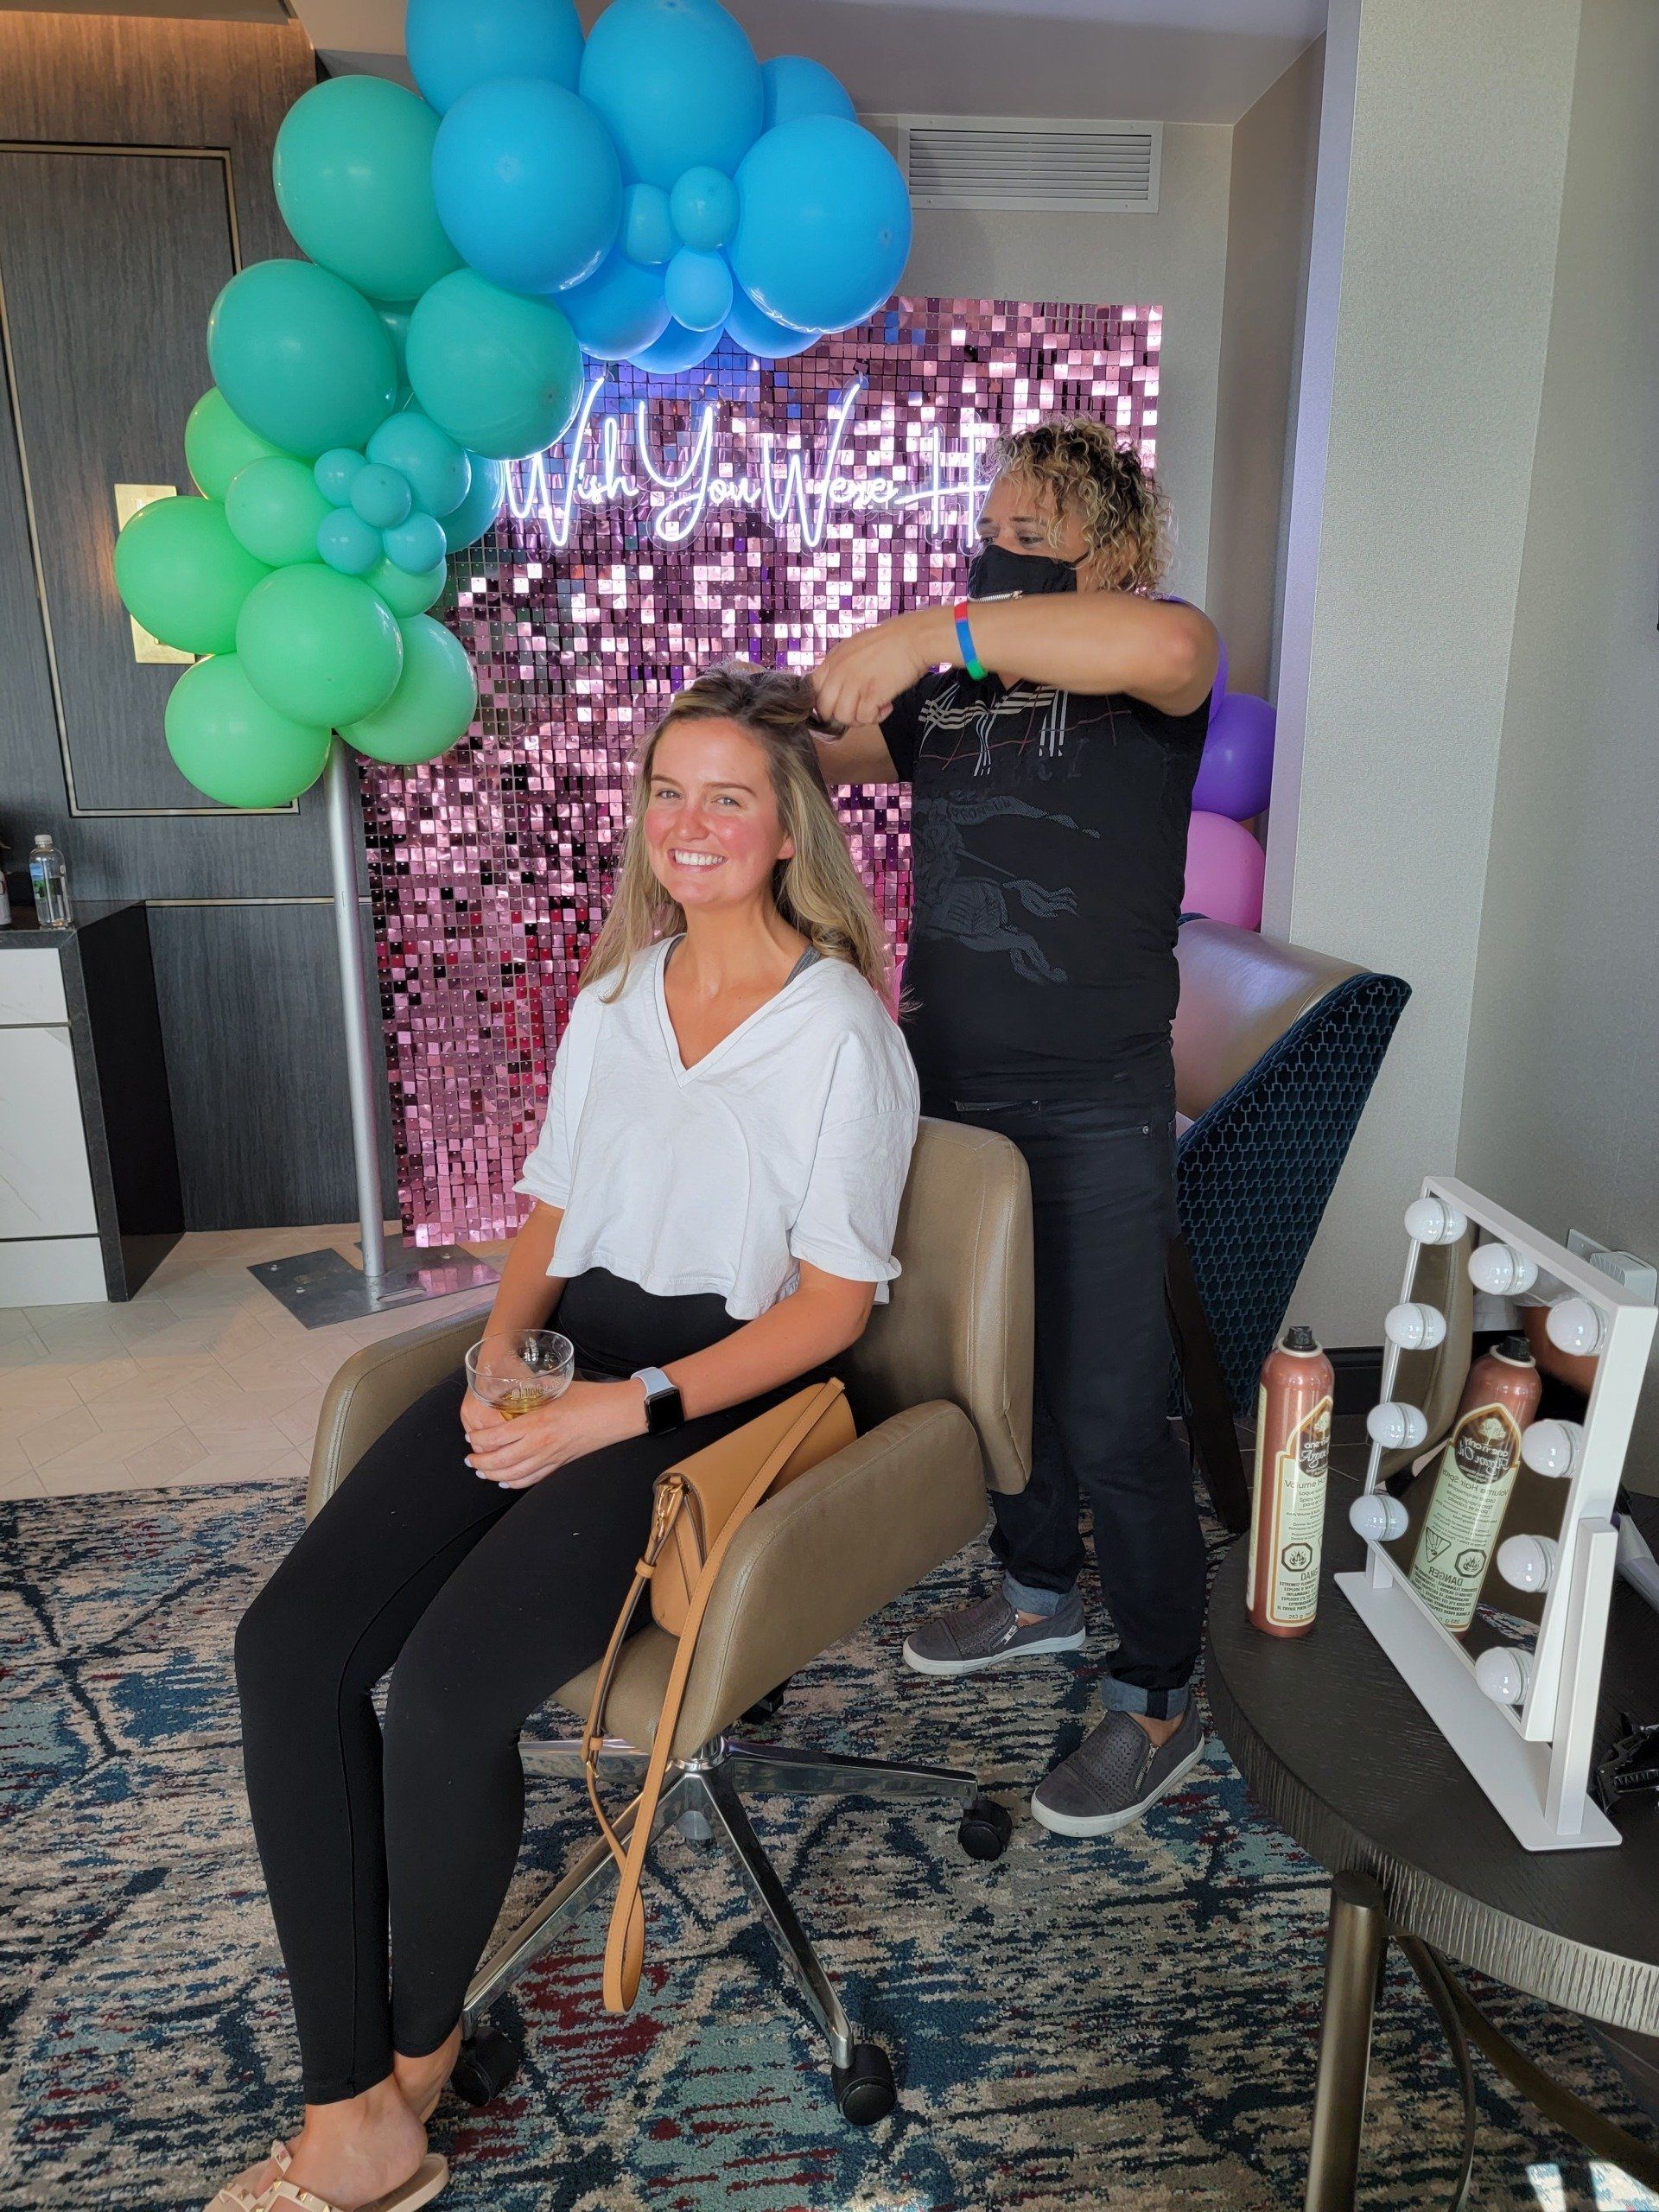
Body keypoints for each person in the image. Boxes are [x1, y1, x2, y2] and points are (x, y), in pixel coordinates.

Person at [217, 664, 919, 2212]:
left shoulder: (842, 1036)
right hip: (563, 1353)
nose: (690, 823)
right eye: (667, 793)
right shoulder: (617, 997)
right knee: (290, 1650)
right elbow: (550, 1205)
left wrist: (621, 1409)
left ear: (789, 829)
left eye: (728, 796)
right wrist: (494, 1365)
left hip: (705, 1397)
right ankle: (340, 2082)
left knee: (445, 1693)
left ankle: (407, 2082)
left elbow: (831, 1312)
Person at [810, 417, 1220, 1842]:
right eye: (992, 530)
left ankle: (1158, 1693)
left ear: (1114, 545)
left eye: (1032, 533)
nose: (1001, 553)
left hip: (1096, 1101)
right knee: (996, 1379)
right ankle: (1041, 1592)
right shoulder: (951, 699)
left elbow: (1168, 649)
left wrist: (932, 627)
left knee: (1112, 1412)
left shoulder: (1158, 657)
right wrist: (748, 718)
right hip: (949, 1093)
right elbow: (826, 752)